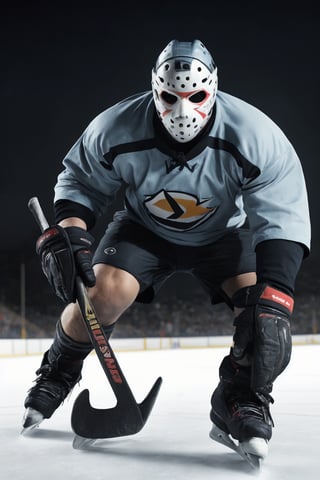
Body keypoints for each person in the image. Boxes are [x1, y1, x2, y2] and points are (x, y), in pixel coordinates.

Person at [22, 39, 311, 463]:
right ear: (154, 90)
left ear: (213, 90)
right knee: (98, 293)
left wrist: (277, 291)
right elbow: (80, 181)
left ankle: (242, 396)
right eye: (169, 97)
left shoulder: (255, 134)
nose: (182, 111)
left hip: (224, 237)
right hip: (144, 231)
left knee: (264, 317)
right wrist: (72, 235)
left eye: (195, 97)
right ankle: (58, 371)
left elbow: (283, 211)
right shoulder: (116, 126)